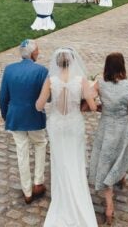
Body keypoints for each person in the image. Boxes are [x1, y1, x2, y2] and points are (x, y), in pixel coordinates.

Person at [35, 48, 98, 227]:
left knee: (60, 160)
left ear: (56, 63)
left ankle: (62, 196)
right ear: (72, 62)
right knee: (75, 160)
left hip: (56, 125)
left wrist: (42, 98)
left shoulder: (51, 80)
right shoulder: (80, 80)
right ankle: (78, 197)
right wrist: (92, 93)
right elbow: (93, 107)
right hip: (74, 124)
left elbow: (39, 106)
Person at [89, 53, 128, 226]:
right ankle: (121, 176)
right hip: (123, 128)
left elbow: (86, 100)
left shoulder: (99, 84)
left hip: (106, 128)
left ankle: (109, 207)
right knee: (122, 152)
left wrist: (98, 107)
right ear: (122, 66)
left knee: (106, 161)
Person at [0, 40, 49, 204]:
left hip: (16, 117)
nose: (39, 52)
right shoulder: (42, 71)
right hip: (35, 117)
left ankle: (27, 191)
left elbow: (3, 97)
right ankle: (38, 183)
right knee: (40, 144)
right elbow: (47, 97)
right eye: (38, 50)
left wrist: (6, 116)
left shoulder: (9, 69)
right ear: (33, 53)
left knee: (22, 152)